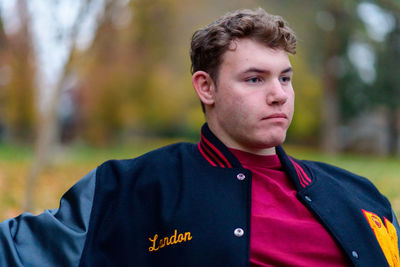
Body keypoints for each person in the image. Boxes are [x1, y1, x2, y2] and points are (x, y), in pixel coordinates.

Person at [1, 8, 399, 267]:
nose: (278, 93)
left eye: (285, 78)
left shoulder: (359, 196)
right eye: (255, 79)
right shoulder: (130, 189)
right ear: (205, 88)